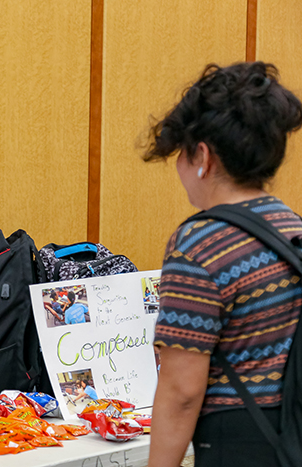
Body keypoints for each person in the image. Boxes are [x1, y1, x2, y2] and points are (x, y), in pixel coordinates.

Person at [143, 62, 302, 467]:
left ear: (203, 156)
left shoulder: (199, 245)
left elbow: (181, 390)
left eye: (180, 153)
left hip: (243, 444)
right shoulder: (292, 227)